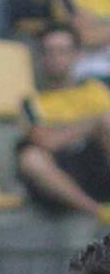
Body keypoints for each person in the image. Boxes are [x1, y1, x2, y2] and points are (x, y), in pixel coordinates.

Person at [21, 23, 110, 223]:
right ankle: (97, 212)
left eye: (63, 51)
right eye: (49, 51)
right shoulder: (32, 102)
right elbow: (47, 142)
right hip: (64, 175)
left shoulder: (98, 89)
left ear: (77, 54)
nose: (56, 58)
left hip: (100, 165)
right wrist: (91, 123)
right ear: (41, 57)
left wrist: (70, 130)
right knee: (31, 159)